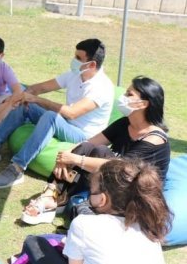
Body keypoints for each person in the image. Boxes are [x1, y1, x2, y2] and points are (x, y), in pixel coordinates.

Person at [21, 159, 172, 264]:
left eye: (91, 191)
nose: (89, 196)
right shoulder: (149, 228)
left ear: (102, 199)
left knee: (33, 243)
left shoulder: (83, 224)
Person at [22, 76, 170, 224]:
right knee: (88, 148)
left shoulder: (155, 138)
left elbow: (123, 167)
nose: (123, 97)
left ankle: (59, 200)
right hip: (116, 184)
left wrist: (76, 159)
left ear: (143, 104)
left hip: (136, 192)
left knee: (100, 152)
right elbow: (89, 142)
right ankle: (51, 194)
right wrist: (65, 156)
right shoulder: (125, 123)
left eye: (129, 94)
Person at [0, 38, 114, 189]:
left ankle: (17, 168)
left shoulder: (102, 88)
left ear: (92, 65)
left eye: (78, 58)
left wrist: (36, 99)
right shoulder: (74, 74)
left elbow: (72, 113)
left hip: (84, 136)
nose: (74, 60)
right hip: (66, 123)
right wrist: (21, 96)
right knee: (27, 104)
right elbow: (39, 88)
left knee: (50, 116)